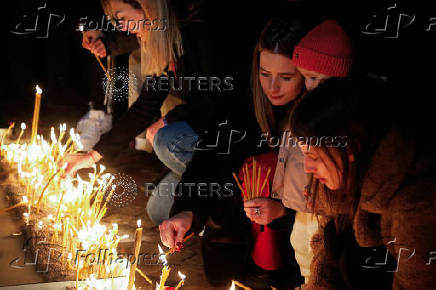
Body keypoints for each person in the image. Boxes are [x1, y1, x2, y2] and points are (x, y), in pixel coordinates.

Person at [159, 15, 322, 288]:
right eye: (265, 74)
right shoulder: (238, 103)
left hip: (291, 258)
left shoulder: (315, 119)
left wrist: (283, 210)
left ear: (305, 74)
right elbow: (206, 162)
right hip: (234, 248)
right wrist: (188, 212)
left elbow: (324, 202)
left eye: (286, 77)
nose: (272, 87)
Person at [61, 0, 235, 224]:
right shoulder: (161, 45)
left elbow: (219, 101)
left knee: (167, 139)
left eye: (122, 18)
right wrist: (92, 155)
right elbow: (144, 107)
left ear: (147, 7)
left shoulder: (197, 31)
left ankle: (232, 198)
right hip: (204, 133)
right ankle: (204, 198)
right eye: (116, 22)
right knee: (160, 211)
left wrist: (171, 118)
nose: (122, 28)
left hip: (228, 136)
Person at [290, 77, 436, 289]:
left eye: (314, 156)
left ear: (350, 148)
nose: (307, 168)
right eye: (304, 154)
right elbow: (326, 253)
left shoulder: (415, 205)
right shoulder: (338, 183)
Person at [271, 19, 353, 288]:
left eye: (315, 78)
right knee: (301, 247)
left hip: (323, 209)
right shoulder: (304, 108)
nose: (308, 85)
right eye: (304, 77)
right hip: (301, 206)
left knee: (319, 253)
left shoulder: (335, 118)